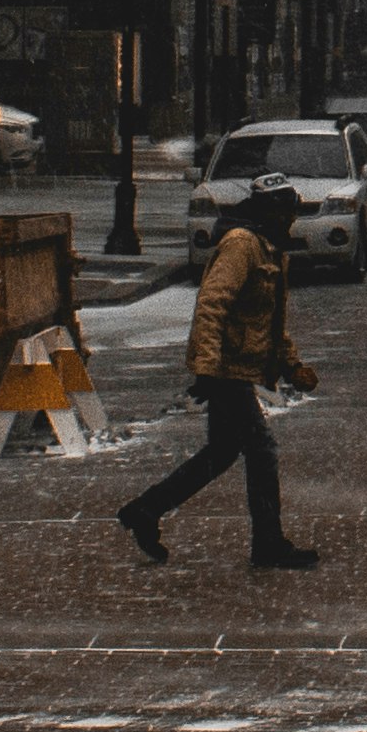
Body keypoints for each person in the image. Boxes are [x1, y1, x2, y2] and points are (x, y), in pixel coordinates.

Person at [118, 176, 323, 570]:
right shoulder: (242, 246)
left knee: (222, 452)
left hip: (235, 369)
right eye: (286, 211)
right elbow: (212, 306)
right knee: (261, 451)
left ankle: (147, 510)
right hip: (225, 370)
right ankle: (268, 544)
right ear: (269, 210)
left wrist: (292, 365)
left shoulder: (270, 249)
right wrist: (208, 369)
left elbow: (270, 322)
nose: (292, 220)